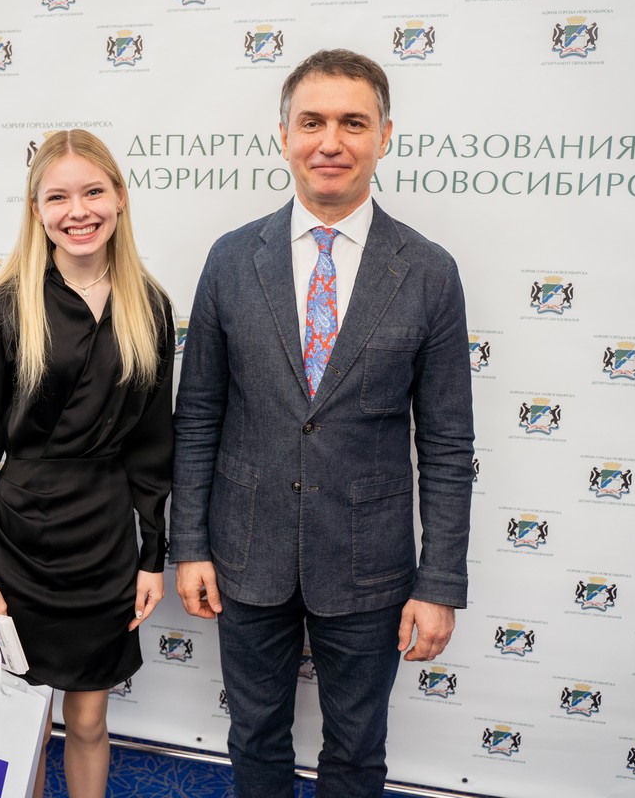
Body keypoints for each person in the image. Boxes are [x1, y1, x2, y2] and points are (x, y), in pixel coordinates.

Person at [170, 49, 474, 798]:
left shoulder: (429, 271)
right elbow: (199, 414)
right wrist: (191, 544)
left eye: (352, 123)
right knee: (255, 739)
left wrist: (439, 582)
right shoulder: (231, 259)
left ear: (385, 135)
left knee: (357, 753)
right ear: (284, 136)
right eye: (312, 122)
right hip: (246, 553)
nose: (330, 142)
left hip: (370, 563)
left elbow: (446, 443)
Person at [0, 129, 174, 798]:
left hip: (104, 542)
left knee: (91, 719)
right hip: (19, 543)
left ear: (120, 198)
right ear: (36, 209)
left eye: (93, 191)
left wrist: (152, 556)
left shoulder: (151, 307)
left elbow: (152, 450)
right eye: (58, 197)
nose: (79, 211)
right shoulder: (2, 310)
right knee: (22, 723)